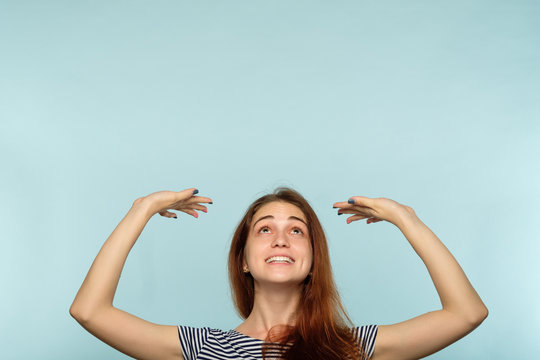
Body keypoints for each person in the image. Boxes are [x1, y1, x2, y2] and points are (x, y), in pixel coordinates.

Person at [70, 187, 488, 360]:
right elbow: (89, 311)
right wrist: (140, 209)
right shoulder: (204, 348)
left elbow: (466, 313)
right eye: (265, 228)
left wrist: (407, 219)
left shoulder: (351, 348)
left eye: (297, 230)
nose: (281, 239)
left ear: (312, 260)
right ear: (244, 261)